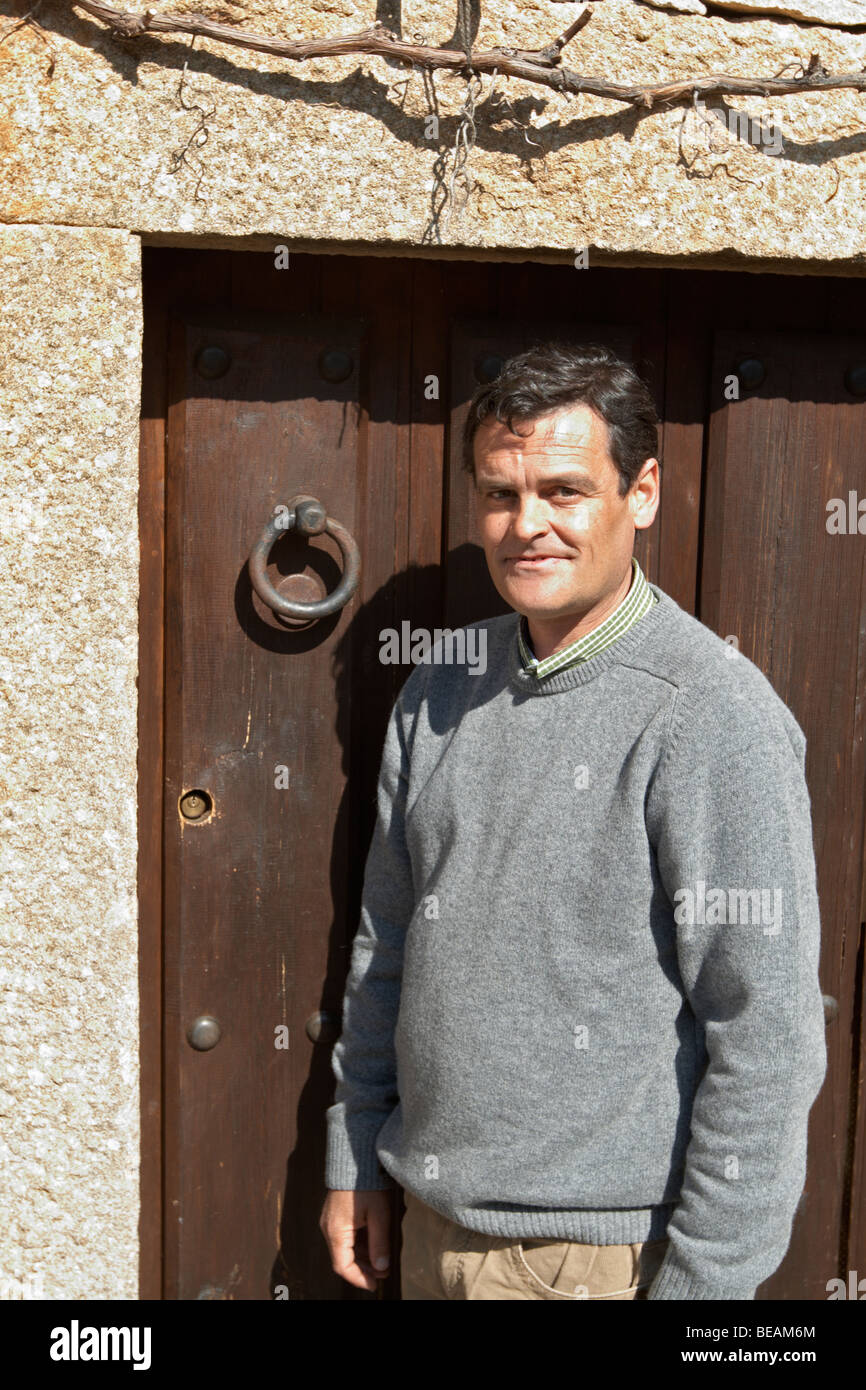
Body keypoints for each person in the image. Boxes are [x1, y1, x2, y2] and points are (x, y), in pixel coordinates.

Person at [318, 340, 827, 1300]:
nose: (526, 526)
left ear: (642, 493)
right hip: (426, 1225)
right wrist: (356, 1142)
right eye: (501, 495)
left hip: (593, 1262)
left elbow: (764, 1034)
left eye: (564, 491)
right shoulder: (440, 686)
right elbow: (385, 942)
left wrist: (704, 1295)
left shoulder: (713, 714)